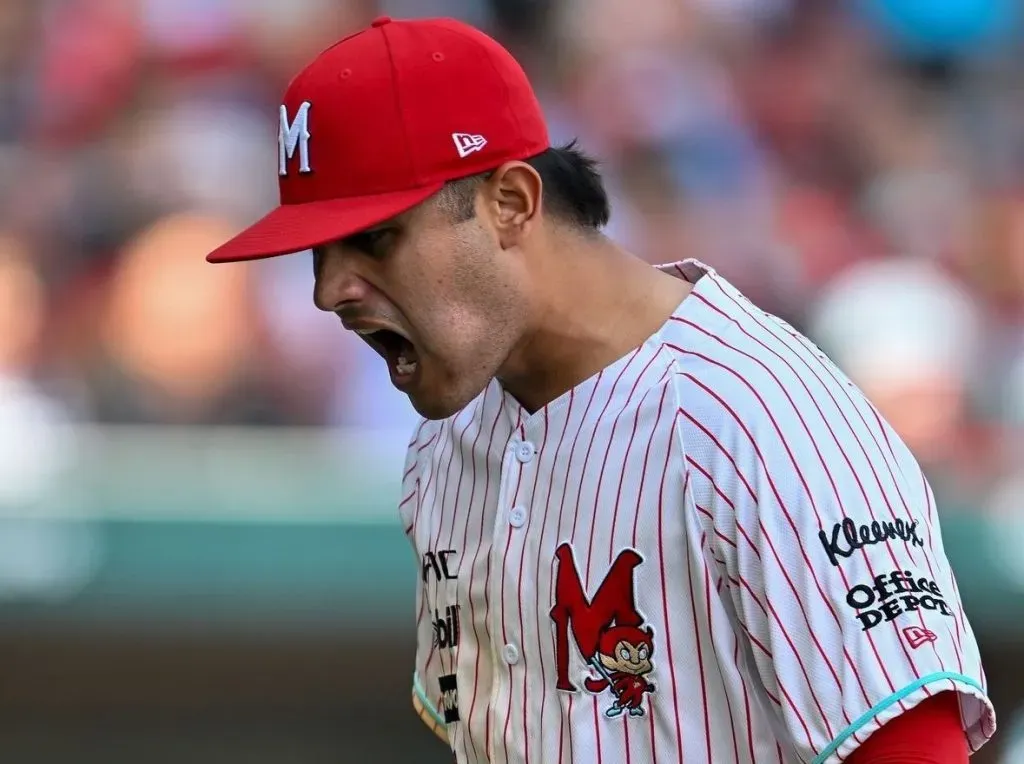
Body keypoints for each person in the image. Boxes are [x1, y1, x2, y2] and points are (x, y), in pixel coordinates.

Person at [205, 15, 995, 764]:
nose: (331, 291)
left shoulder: (760, 420)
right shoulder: (444, 449)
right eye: (318, 254)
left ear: (510, 203)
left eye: (374, 239)